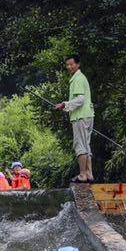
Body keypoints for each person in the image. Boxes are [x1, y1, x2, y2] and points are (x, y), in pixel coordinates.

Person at [52, 55, 95, 183]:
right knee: (86, 145)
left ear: (78, 64)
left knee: (80, 145)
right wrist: (65, 104)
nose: (69, 67)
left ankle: (82, 175)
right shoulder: (81, 77)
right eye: (67, 65)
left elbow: (80, 100)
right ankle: (89, 174)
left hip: (80, 116)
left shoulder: (77, 78)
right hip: (88, 115)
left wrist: (65, 105)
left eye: (71, 64)